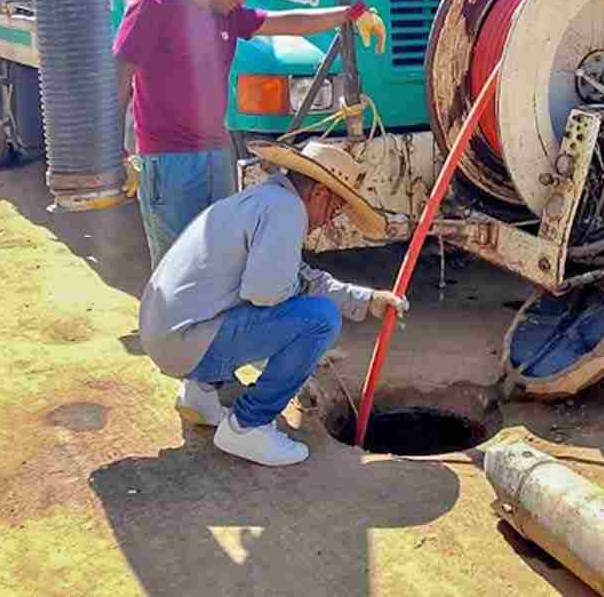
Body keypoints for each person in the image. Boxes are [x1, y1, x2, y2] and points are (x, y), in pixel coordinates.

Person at [113, 0, 386, 269]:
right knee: (175, 267)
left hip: (216, 155)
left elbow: (289, 23)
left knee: (218, 262)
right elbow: (118, 78)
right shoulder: (155, 7)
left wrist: (350, 14)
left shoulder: (227, 15)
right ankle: (166, 323)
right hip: (170, 162)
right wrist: (117, 154)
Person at [138, 138, 408, 467]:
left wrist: (367, 300)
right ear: (319, 193)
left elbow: (297, 277)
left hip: (165, 334)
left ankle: (200, 394)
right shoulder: (287, 210)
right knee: (320, 319)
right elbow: (268, 292)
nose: (328, 221)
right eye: (334, 209)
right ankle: (247, 426)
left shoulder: (262, 200)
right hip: (183, 340)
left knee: (244, 299)